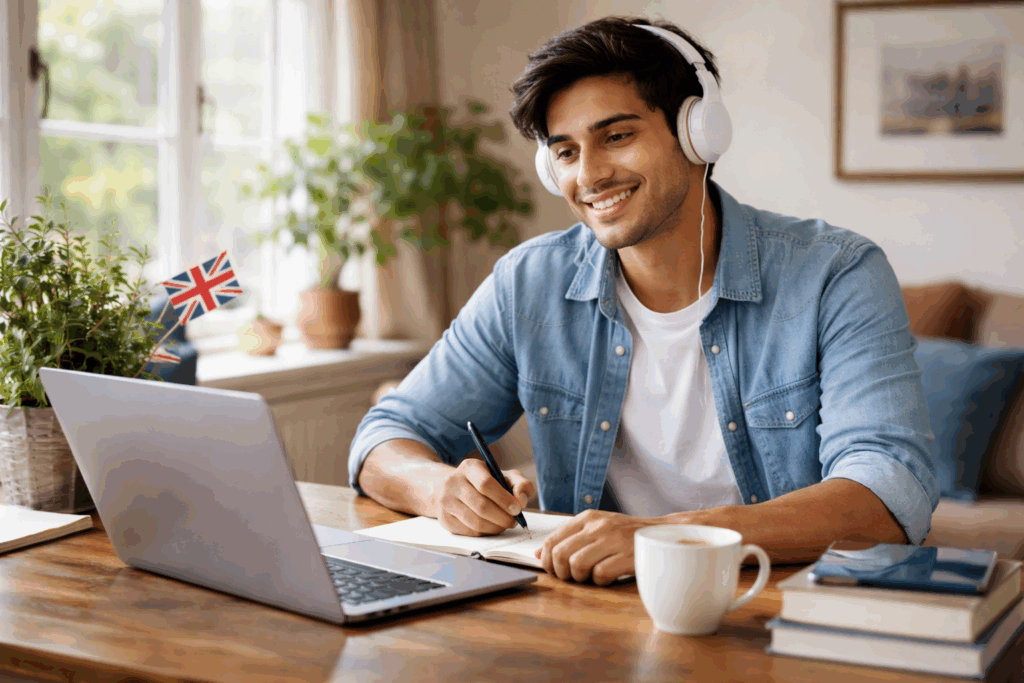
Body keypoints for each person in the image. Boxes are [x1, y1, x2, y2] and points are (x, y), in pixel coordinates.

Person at [348, 16, 938, 586]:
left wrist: (670, 538)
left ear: (698, 133)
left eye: (617, 136)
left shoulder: (836, 272)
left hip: (772, 606)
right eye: (567, 152)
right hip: (589, 612)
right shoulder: (528, 282)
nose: (591, 175)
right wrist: (440, 489)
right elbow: (386, 435)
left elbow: (887, 492)